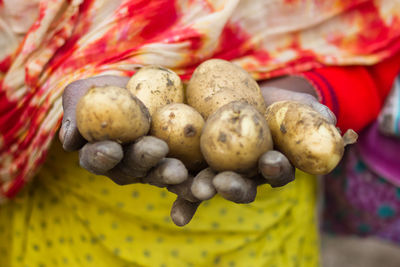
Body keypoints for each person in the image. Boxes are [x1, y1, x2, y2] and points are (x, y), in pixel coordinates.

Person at [1, 1, 400, 266]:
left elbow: (376, 33)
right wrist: (63, 94)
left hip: (260, 224)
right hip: (66, 221)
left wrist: (303, 93)